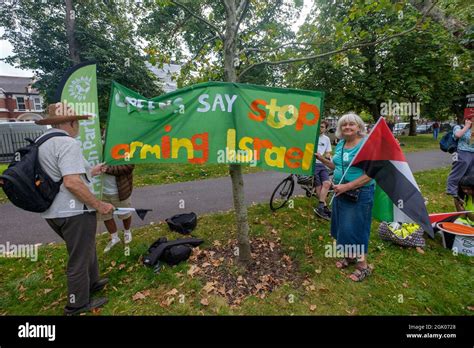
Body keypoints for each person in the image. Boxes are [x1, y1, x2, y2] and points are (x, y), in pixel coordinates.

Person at [34, 102, 115, 315]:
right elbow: (71, 182)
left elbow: (59, 174)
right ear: (70, 122)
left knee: (86, 247)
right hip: (73, 212)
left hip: (53, 211)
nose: (78, 125)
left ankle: (93, 282)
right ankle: (76, 304)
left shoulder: (43, 142)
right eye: (77, 121)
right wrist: (99, 205)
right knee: (78, 257)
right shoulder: (68, 143)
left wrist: (91, 171)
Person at [316, 113, 375, 282]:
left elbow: (371, 173)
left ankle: (363, 266)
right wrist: (322, 159)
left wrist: (347, 186)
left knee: (357, 228)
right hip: (340, 191)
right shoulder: (341, 143)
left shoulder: (365, 145)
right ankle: (349, 257)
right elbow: (337, 165)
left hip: (360, 193)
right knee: (342, 227)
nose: (347, 127)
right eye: (344, 125)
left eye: (351, 124)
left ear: (359, 127)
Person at [99, 164, 135, 253]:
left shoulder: (124, 150)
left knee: (125, 214)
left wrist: (109, 169)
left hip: (120, 191)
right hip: (101, 191)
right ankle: (114, 238)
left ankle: (127, 232)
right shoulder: (97, 150)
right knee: (106, 216)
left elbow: (129, 166)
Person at [446, 113, 474, 209]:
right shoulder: (459, 127)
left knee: (470, 176)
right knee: (457, 173)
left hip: (473, 154)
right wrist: (466, 126)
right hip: (462, 152)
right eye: (471, 118)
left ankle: (468, 196)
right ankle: (452, 191)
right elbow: (458, 135)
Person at [313, 120, 332, 220]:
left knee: (327, 184)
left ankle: (321, 206)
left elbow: (328, 152)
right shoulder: (312, 136)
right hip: (313, 165)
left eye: (322, 127)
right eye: (319, 126)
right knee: (319, 186)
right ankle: (324, 208)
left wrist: (327, 156)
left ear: (325, 128)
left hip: (322, 164)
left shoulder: (327, 139)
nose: (320, 128)